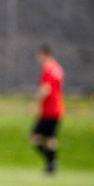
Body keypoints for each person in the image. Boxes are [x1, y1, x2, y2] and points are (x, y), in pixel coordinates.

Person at [30, 43, 64, 174]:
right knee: (51, 138)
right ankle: (52, 164)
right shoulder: (58, 68)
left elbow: (46, 89)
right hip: (57, 109)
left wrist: (34, 102)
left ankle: (51, 163)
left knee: (35, 137)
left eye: (40, 55)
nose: (38, 57)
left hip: (49, 110)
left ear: (46, 55)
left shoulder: (48, 69)